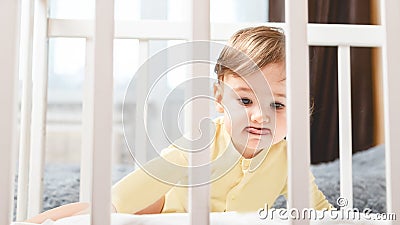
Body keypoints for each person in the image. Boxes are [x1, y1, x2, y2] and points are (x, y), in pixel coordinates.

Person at [26, 26, 331, 224]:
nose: (260, 117)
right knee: (116, 209)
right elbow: (123, 195)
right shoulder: (198, 146)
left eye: (277, 105)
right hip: (168, 209)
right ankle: (37, 221)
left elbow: (320, 213)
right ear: (218, 98)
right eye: (246, 101)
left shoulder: (290, 160)